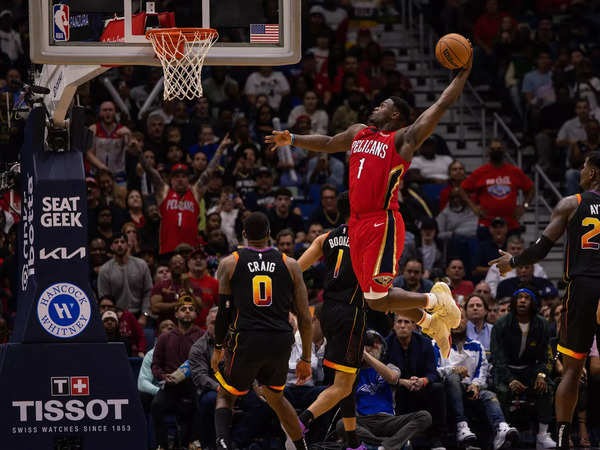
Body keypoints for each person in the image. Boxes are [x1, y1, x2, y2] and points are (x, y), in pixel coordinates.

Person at [266, 55, 474, 357]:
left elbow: (440, 106)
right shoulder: (358, 132)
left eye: (384, 105)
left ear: (395, 117)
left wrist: (462, 74)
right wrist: (293, 139)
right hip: (358, 224)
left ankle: (436, 299)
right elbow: (326, 142)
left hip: (382, 221)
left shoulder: (402, 139)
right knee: (375, 298)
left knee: (378, 293)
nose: (377, 106)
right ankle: (430, 321)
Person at [491, 151, 600, 450]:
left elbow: (540, 250)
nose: (580, 170)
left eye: (583, 166)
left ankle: (563, 439)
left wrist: (512, 261)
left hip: (583, 288)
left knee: (573, 369)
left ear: (593, 173)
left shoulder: (572, 204)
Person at [210, 212, 312, 450]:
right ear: (270, 235)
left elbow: (224, 312)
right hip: (280, 340)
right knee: (275, 396)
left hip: (247, 337)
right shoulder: (291, 264)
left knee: (225, 394)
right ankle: (302, 447)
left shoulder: (230, 263)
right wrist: (305, 357)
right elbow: (305, 318)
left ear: (244, 235)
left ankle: (223, 445)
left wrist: (217, 347)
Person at [296, 192, 366, 450]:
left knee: (346, 376)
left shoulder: (326, 237)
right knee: (342, 384)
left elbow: (295, 268)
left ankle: (353, 441)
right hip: (351, 312)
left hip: (328, 311)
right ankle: (301, 421)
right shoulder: (367, 235)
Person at [435, 307, 519, 449]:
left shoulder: (476, 346)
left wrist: (476, 385)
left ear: (466, 321)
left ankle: (501, 429)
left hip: (470, 390)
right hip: (446, 391)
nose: (456, 322)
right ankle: (461, 426)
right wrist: (453, 370)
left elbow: (482, 370)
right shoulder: (436, 345)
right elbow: (434, 371)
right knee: (453, 378)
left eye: (460, 318)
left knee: (489, 394)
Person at [336, 329, 432, 450]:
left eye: (376, 344)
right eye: (368, 343)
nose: (372, 347)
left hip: (388, 420)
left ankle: (387, 446)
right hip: (365, 421)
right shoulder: (353, 373)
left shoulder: (390, 367)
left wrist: (366, 355)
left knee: (424, 416)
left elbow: (393, 378)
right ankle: (385, 444)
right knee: (341, 424)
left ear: (382, 348)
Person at [151, 296, 204, 450]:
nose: (187, 312)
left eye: (191, 309)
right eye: (183, 309)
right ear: (176, 314)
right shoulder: (164, 337)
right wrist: (162, 376)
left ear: (195, 315)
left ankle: (194, 441)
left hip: (193, 383)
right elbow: (155, 364)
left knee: (202, 403)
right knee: (156, 405)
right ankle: (162, 444)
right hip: (171, 384)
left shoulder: (202, 336)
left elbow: (207, 362)